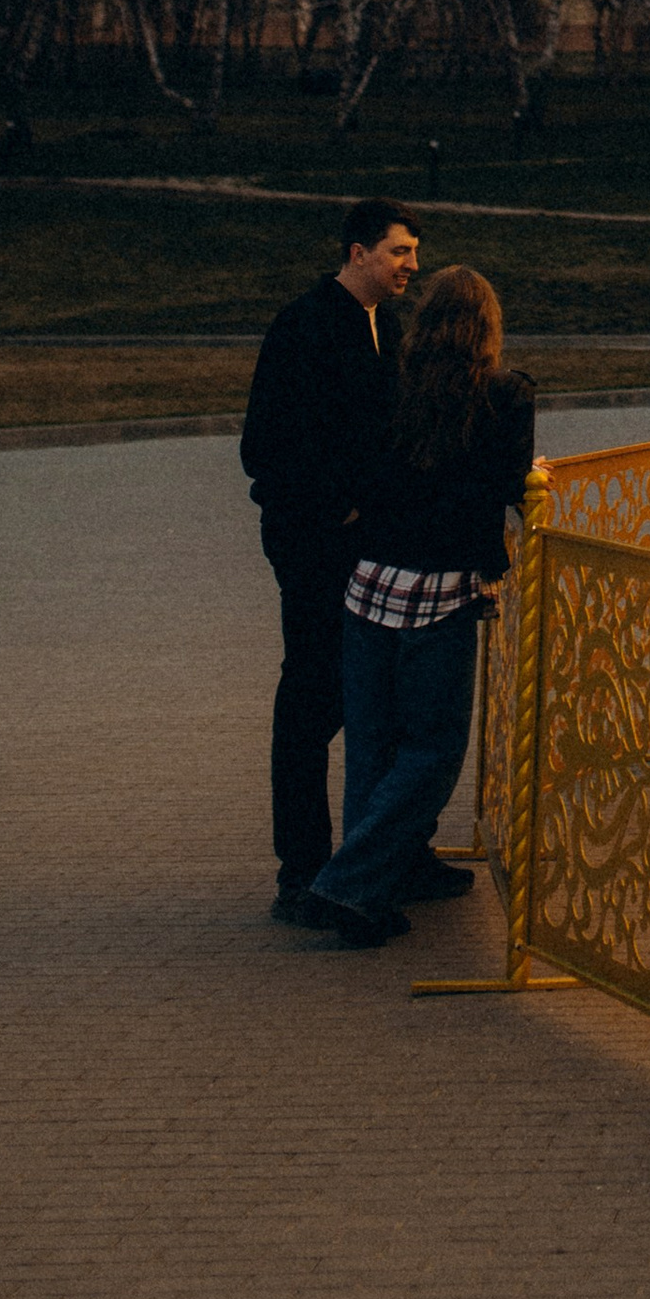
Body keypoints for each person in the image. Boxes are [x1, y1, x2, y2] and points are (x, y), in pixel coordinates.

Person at [307, 266, 535, 950]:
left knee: (374, 745)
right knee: (434, 749)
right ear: (487, 329)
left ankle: (394, 870)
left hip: (370, 581)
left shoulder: (387, 384)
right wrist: (536, 478)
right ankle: (349, 885)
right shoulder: (503, 395)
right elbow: (504, 486)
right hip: (442, 591)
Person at [240, 199, 421, 924]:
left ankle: (391, 853)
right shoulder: (306, 326)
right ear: (357, 253)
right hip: (318, 545)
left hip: (371, 546)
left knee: (386, 699)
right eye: (399, 251)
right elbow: (268, 445)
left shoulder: (387, 325)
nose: (412, 264)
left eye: (412, 251)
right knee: (314, 696)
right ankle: (303, 870)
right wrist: (337, 507)